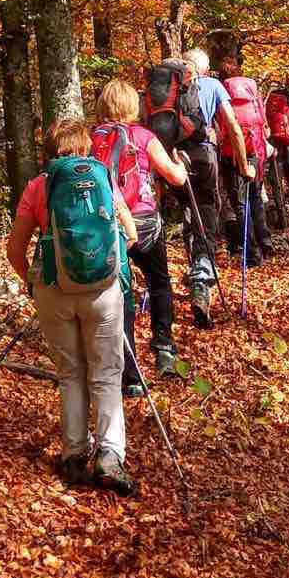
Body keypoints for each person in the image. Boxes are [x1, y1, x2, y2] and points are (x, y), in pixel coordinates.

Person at [5, 119, 139, 496]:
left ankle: (74, 454)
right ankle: (110, 455)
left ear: (50, 150)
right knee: (107, 373)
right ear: (85, 147)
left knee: (70, 373)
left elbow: (15, 248)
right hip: (102, 291)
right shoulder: (102, 180)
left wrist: (32, 282)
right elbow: (131, 233)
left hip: (52, 289)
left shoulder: (39, 186)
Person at [91, 79, 190, 388]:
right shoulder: (143, 136)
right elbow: (175, 178)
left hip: (108, 226)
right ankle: (164, 348)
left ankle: (128, 370)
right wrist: (181, 165)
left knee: (120, 292)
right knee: (159, 282)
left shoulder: (91, 139)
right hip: (145, 223)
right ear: (133, 106)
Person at [166, 47, 254, 327]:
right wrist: (244, 166)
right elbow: (233, 126)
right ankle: (201, 282)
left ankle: (195, 269)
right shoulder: (213, 85)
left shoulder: (168, 86)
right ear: (203, 69)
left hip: (171, 158)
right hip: (203, 156)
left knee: (189, 216)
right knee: (206, 216)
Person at [219, 54, 274, 267]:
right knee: (256, 198)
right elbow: (262, 115)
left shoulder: (222, 88)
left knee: (240, 204)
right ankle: (265, 241)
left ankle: (250, 253)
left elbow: (222, 122)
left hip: (232, 152)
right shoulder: (251, 85)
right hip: (256, 148)